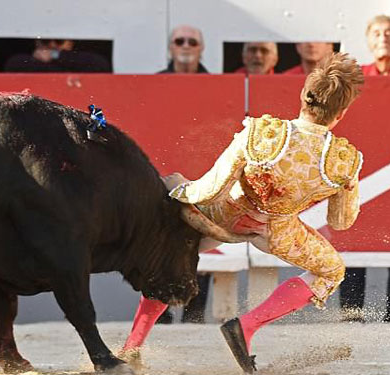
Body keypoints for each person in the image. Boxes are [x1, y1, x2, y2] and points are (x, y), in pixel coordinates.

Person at [120, 53, 365, 374]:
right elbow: (340, 222)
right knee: (332, 271)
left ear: (303, 96)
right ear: (342, 113)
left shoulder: (262, 133)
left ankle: (132, 347)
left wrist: (178, 192)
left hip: (227, 212)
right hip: (278, 230)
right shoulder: (344, 161)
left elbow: (211, 186)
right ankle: (247, 326)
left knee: (178, 255)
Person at [339, 15, 390, 325]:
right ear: (369, 42)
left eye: (389, 33)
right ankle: (351, 315)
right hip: (362, 174)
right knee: (355, 242)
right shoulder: (358, 80)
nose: (384, 38)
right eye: (378, 33)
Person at [157, 25, 209, 324]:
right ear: (171, 48)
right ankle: (160, 317)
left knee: (199, 239)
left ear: (201, 48)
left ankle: (195, 315)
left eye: (192, 41)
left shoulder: (217, 84)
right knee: (157, 241)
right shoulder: (155, 84)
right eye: (180, 41)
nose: (186, 46)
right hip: (164, 172)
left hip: (200, 169)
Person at [4, 39, 111, 72]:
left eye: (59, 41)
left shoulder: (89, 62)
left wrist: (56, 55)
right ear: (37, 43)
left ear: (70, 43)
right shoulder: (21, 62)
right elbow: (12, 64)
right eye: (45, 41)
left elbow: (101, 65)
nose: (52, 45)